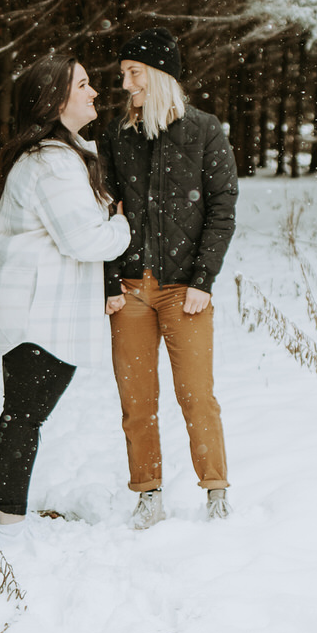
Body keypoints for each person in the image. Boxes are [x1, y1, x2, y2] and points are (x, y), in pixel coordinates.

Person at [0, 52, 130, 541]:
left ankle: (10, 516)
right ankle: (10, 524)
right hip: (35, 309)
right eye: (83, 85)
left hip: (38, 307)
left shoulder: (59, 155)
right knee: (24, 415)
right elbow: (85, 240)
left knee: (24, 412)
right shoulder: (52, 162)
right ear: (56, 99)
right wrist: (125, 224)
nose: (94, 92)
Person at [99, 27, 237, 527]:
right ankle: (148, 494)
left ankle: (216, 492)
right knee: (137, 401)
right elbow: (106, 214)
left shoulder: (204, 130)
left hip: (186, 289)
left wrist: (204, 279)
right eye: (122, 75)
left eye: (133, 73)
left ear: (158, 75)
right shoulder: (116, 136)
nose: (126, 84)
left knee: (197, 395)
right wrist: (110, 282)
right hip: (132, 290)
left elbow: (222, 209)